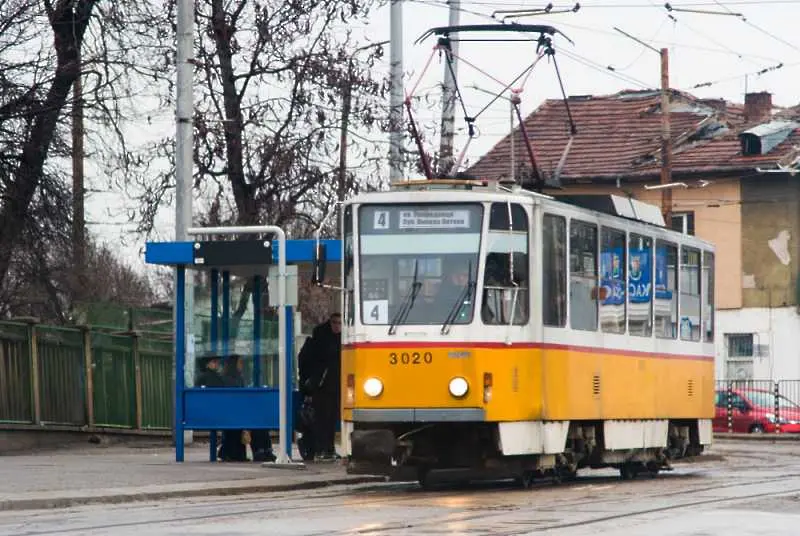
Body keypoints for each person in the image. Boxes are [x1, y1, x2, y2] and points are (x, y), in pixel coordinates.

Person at [298, 312, 342, 461]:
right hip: (321, 386)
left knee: (331, 419)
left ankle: (328, 448)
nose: (337, 326)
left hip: (334, 386)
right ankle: (320, 448)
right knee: (321, 419)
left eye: (339, 323)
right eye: (335, 323)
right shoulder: (322, 340)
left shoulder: (338, 340)